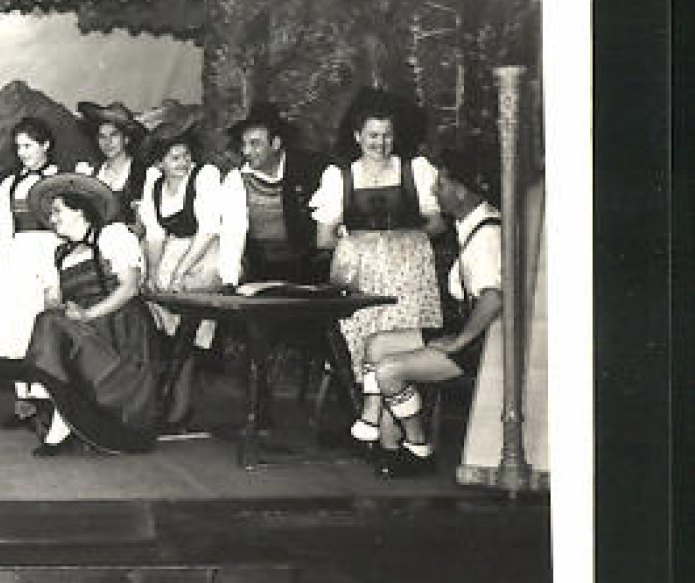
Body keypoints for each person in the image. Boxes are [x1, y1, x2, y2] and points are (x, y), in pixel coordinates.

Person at [352, 137, 503, 477]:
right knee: (376, 343)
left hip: (485, 345)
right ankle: (382, 435)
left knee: (389, 370)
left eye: (443, 182)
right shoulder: (470, 226)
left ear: (462, 190)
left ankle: (418, 450)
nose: (435, 189)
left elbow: (493, 298)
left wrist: (459, 342)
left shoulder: (486, 236)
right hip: (470, 329)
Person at [23, 173, 161, 456]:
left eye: (58, 211)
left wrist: (87, 315)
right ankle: (59, 420)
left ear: (80, 211)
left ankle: (56, 418)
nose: (53, 218)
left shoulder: (113, 236)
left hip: (121, 329)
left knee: (50, 324)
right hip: (86, 332)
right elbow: (60, 302)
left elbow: (130, 287)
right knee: (47, 320)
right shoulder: (62, 253)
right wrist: (57, 303)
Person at [312, 88, 448, 374]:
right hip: (361, 277)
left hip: (409, 275)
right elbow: (324, 238)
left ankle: (393, 395)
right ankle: (370, 402)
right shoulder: (339, 178)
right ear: (357, 136)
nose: (380, 143)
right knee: (363, 347)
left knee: (401, 347)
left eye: (387, 135)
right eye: (373, 135)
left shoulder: (415, 170)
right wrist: (357, 246)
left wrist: (403, 240)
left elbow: (437, 224)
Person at [0, 117, 61, 431]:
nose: (23, 152)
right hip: (16, 259)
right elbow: (0, 228)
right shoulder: (9, 184)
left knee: (41, 326)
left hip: (47, 255)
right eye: (19, 147)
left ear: (46, 146)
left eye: (29, 145)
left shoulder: (60, 180)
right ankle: (22, 402)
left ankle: (46, 401)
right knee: (15, 329)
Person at [139, 123, 225, 425]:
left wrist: (180, 271)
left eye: (186, 155)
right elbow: (154, 236)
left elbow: (208, 230)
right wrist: (151, 273)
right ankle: (172, 392)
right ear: (159, 162)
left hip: (208, 253)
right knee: (155, 297)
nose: (182, 163)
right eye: (174, 158)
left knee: (187, 301)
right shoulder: (154, 187)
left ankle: (179, 399)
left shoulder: (204, 178)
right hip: (175, 250)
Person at [214, 100, 331, 288]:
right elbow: (232, 236)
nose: (246, 151)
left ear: (275, 143)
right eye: (244, 144)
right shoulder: (237, 181)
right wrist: (230, 282)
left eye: (255, 144)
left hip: (306, 273)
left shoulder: (310, 171)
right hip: (258, 272)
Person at [74, 101, 149, 230]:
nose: (107, 142)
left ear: (126, 138)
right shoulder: (92, 174)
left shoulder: (142, 173)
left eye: (113, 135)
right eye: (102, 137)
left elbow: (142, 226)